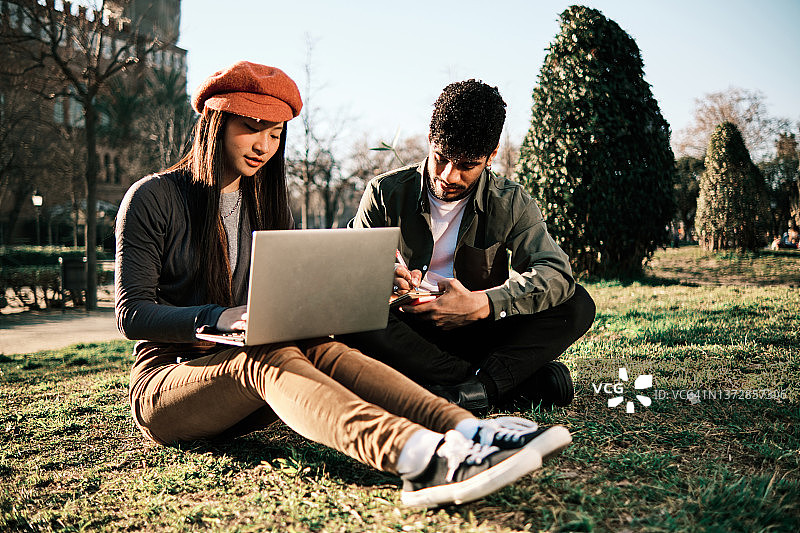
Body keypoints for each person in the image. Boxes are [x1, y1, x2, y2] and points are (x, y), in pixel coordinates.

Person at [115, 61, 573, 508]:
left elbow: (292, 294)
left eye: (275, 135)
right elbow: (131, 314)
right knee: (267, 357)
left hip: (246, 364)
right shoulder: (155, 197)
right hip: (169, 381)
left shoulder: (269, 205)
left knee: (325, 347)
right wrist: (218, 317)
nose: (263, 146)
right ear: (215, 121)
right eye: (251, 128)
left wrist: (354, 286)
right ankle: (418, 458)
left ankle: (468, 428)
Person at [343, 80, 596, 414]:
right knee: (351, 319)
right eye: (441, 158)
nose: (449, 175)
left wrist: (483, 304)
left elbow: (556, 274)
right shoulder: (384, 192)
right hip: (407, 331)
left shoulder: (511, 201)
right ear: (430, 140)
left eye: (467, 165)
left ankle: (458, 388)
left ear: (490, 157)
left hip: (477, 328)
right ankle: (487, 386)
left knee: (577, 303)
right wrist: (384, 279)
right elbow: (349, 271)